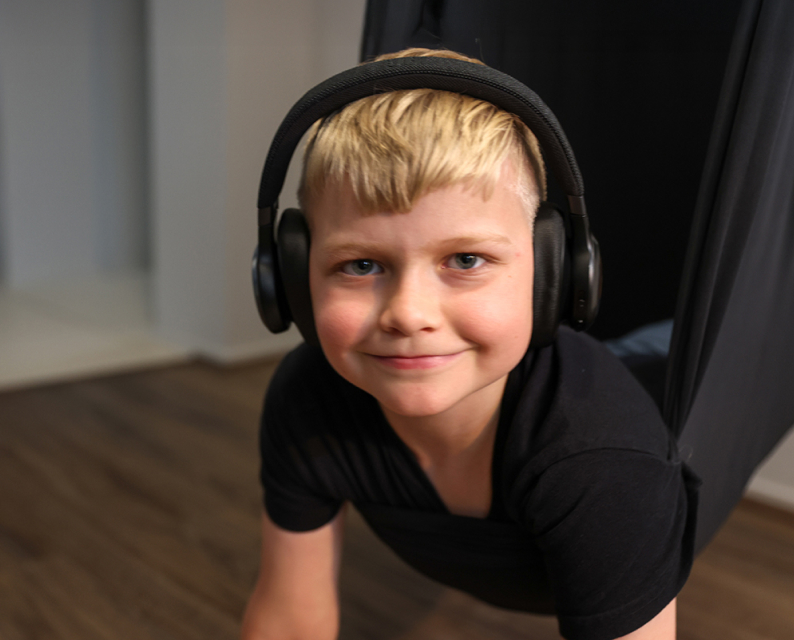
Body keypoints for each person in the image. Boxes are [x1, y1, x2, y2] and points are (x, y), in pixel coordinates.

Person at [241, 48, 698, 640]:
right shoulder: (307, 400)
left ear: (555, 274)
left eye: (465, 259)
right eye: (359, 265)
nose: (409, 314)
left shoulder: (604, 463)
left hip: (648, 379)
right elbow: (288, 619)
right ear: (292, 282)